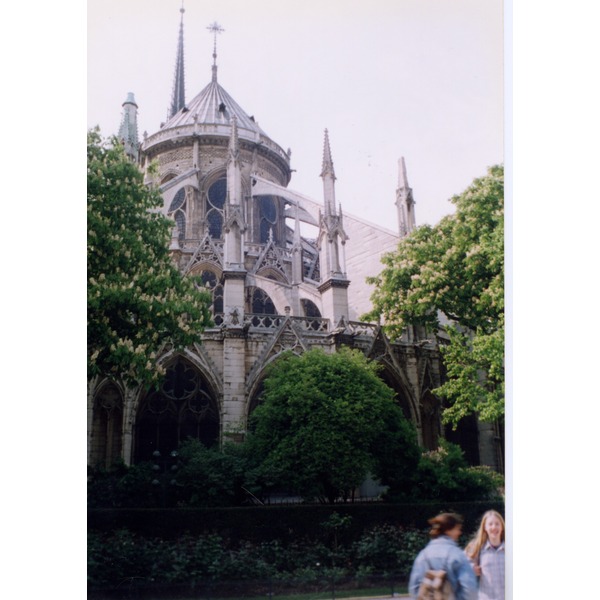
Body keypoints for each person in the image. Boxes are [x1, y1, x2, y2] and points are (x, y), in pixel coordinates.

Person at [409, 512, 478, 600]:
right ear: (448, 530)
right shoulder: (457, 555)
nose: (459, 532)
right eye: (457, 529)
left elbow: (414, 587)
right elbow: (469, 588)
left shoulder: (423, 555)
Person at [465, 510, 505, 600]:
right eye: (490, 524)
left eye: (497, 524)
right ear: (485, 528)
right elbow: (463, 563)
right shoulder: (477, 547)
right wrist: (472, 568)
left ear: (502, 527)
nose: (494, 527)